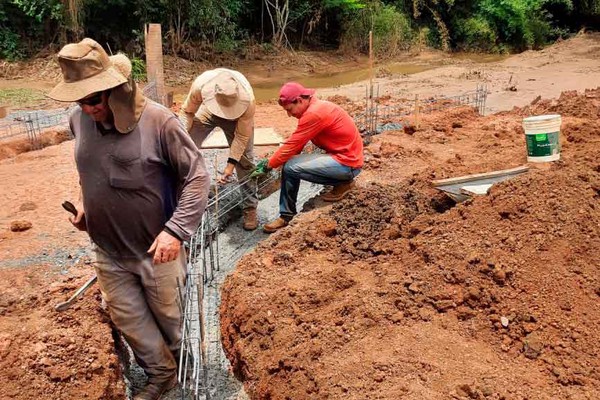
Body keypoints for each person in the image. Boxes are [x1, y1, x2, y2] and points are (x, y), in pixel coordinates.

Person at [48, 38, 210, 400]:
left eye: (93, 99)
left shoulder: (158, 122)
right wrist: (84, 205)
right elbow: (92, 170)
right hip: (108, 249)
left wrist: (175, 231)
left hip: (157, 250)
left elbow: (198, 177)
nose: (86, 108)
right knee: (129, 319)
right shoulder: (79, 120)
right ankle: (161, 373)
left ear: (113, 88)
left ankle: (185, 366)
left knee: (170, 319)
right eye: (79, 99)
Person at [260, 82, 364, 233]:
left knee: (289, 167)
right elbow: (298, 143)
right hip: (346, 159)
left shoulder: (314, 114)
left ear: (300, 100)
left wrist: (268, 164)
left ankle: (287, 216)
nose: (289, 114)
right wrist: (282, 158)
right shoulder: (315, 108)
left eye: (289, 109)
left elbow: (292, 144)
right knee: (290, 162)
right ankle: (342, 182)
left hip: (347, 163)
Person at [179, 68, 259, 230]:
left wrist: (230, 166)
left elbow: (242, 137)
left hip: (238, 118)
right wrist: (182, 139)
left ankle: (250, 207)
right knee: (184, 150)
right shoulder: (201, 85)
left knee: (245, 161)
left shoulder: (248, 101)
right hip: (209, 109)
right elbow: (187, 112)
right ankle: (183, 193)